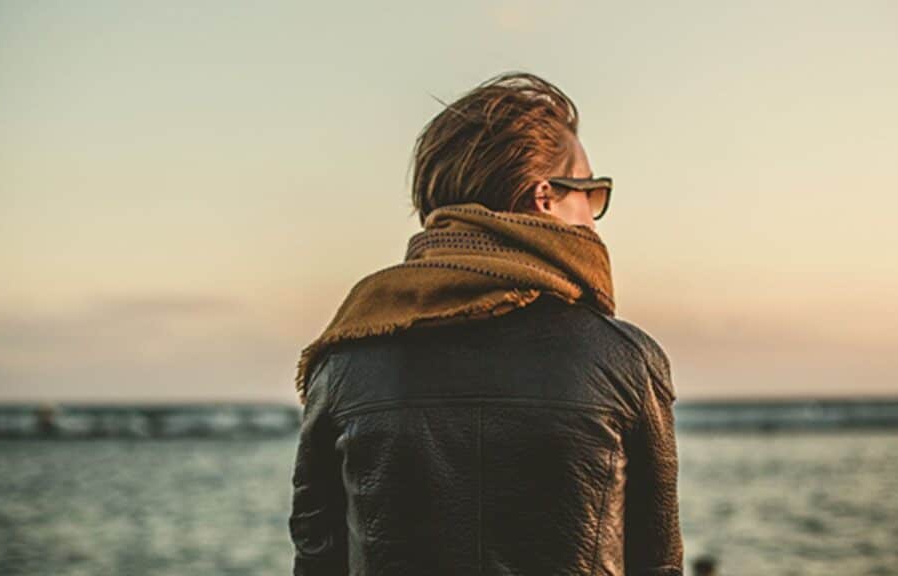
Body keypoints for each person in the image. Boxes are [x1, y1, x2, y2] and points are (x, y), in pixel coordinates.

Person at [289, 71, 683, 576]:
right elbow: (659, 565)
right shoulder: (625, 361)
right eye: (592, 193)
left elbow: (317, 558)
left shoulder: (342, 363)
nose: (592, 217)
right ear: (546, 197)